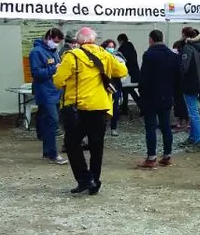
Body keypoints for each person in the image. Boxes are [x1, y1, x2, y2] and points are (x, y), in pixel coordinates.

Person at [53, 27, 128, 195]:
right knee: (96, 145)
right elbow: (122, 71)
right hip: (102, 106)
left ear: (79, 41)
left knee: (72, 142)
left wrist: (60, 70)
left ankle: (84, 178)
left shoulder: (72, 56)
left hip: (80, 106)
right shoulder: (106, 54)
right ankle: (95, 181)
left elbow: (58, 81)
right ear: (93, 40)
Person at [137, 30, 181, 168]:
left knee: (150, 126)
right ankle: (167, 155)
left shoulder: (149, 55)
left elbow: (143, 78)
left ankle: (151, 157)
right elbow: (178, 77)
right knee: (166, 125)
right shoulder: (172, 55)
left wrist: (141, 94)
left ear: (151, 40)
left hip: (151, 96)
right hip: (167, 95)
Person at [29, 28, 69, 165]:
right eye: (55, 41)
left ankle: (47, 152)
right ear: (49, 37)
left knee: (48, 123)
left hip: (55, 91)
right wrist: (55, 68)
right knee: (53, 122)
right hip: (44, 92)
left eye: (59, 42)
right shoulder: (36, 52)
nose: (56, 44)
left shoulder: (54, 52)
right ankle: (53, 154)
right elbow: (36, 73)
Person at [178, 27, 200, 152]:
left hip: (189, 84)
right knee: (194, 112)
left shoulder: (187, 49)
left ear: (185, 35)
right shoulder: (197, 48)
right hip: (197, 84)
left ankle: (199, 141)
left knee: (193, 113)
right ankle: (193, 137)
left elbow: (184, 67)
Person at [102, 39, 126, 137]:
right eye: (109, 46)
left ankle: (113, 127)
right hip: (104, 84)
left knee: (115, 106)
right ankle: (102, 127)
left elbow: (122, 69)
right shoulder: (101, 56)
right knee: (103, 107)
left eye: (112, 47)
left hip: (115, 84)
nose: (111, 48)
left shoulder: (118, 56)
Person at [117, 33, 142, 116]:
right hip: (135, 74)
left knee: (127, 90)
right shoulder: (131, 47)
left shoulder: (122, 49)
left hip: (127, 74)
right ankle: (139, 106)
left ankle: (125, 108)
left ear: (121, 41)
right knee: (130, 90)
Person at [171, 40, 189, 132]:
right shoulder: (185, 55)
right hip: (183, 83)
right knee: (182, 103)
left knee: (179, 103)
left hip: (177, 83)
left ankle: (181, 123)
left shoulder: (177, 56)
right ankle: (185, 122)